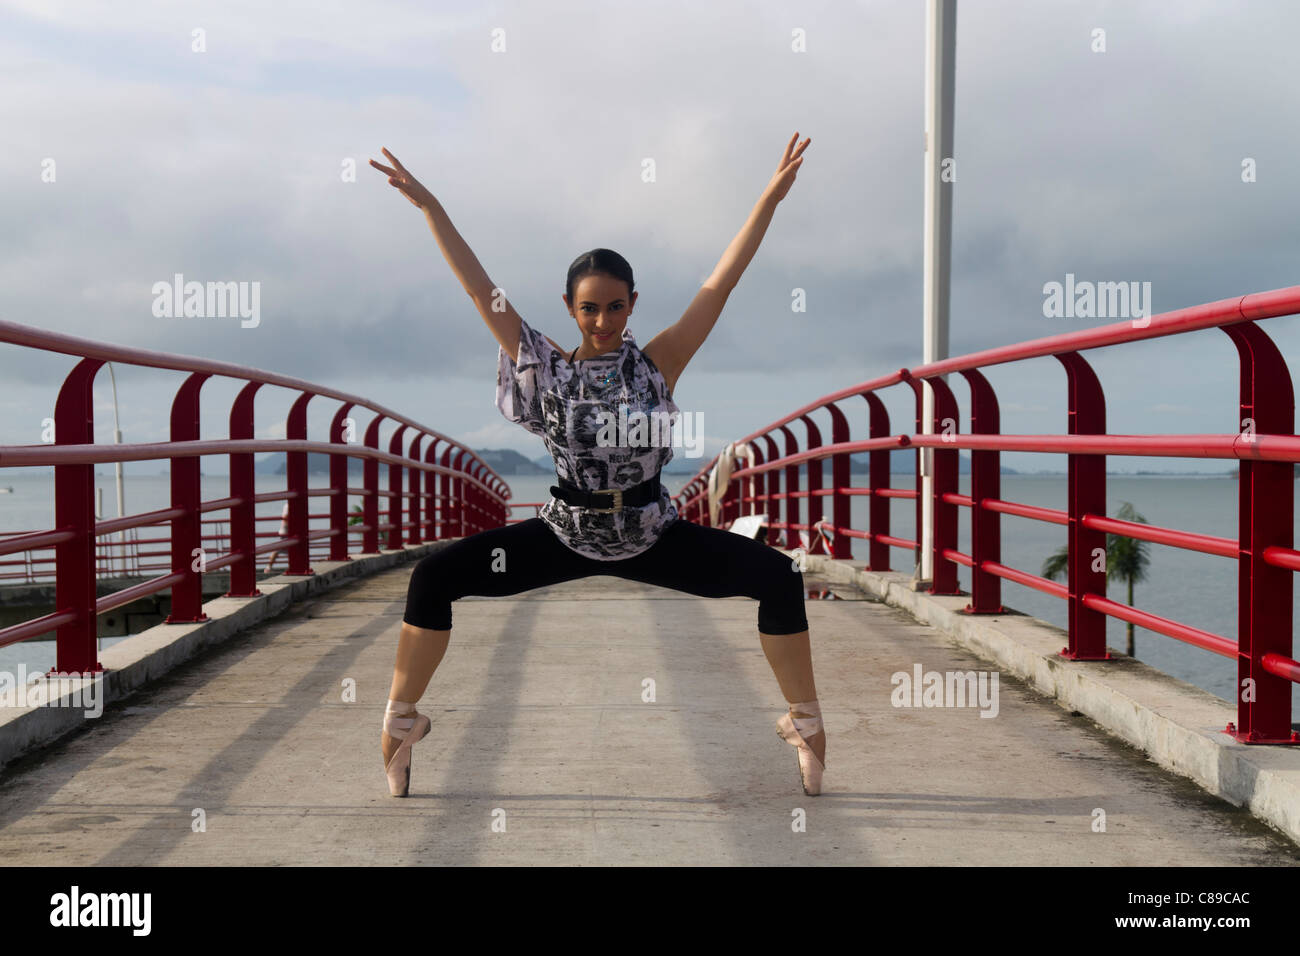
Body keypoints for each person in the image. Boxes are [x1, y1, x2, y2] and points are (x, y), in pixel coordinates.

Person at [368, 134, 825, 799]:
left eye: (615, 306)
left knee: (779, 577)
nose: (603, 319)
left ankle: (807, 728)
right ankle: (401, 722)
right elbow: (479, 291)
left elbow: (719, 284)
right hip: (564, 532)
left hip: (649, 533)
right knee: (434, 577)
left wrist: (768, 200)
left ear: (633, 304)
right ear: (570, 310)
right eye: (590, 307)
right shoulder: (547, 367)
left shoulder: (657, 363)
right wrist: (431, 207)